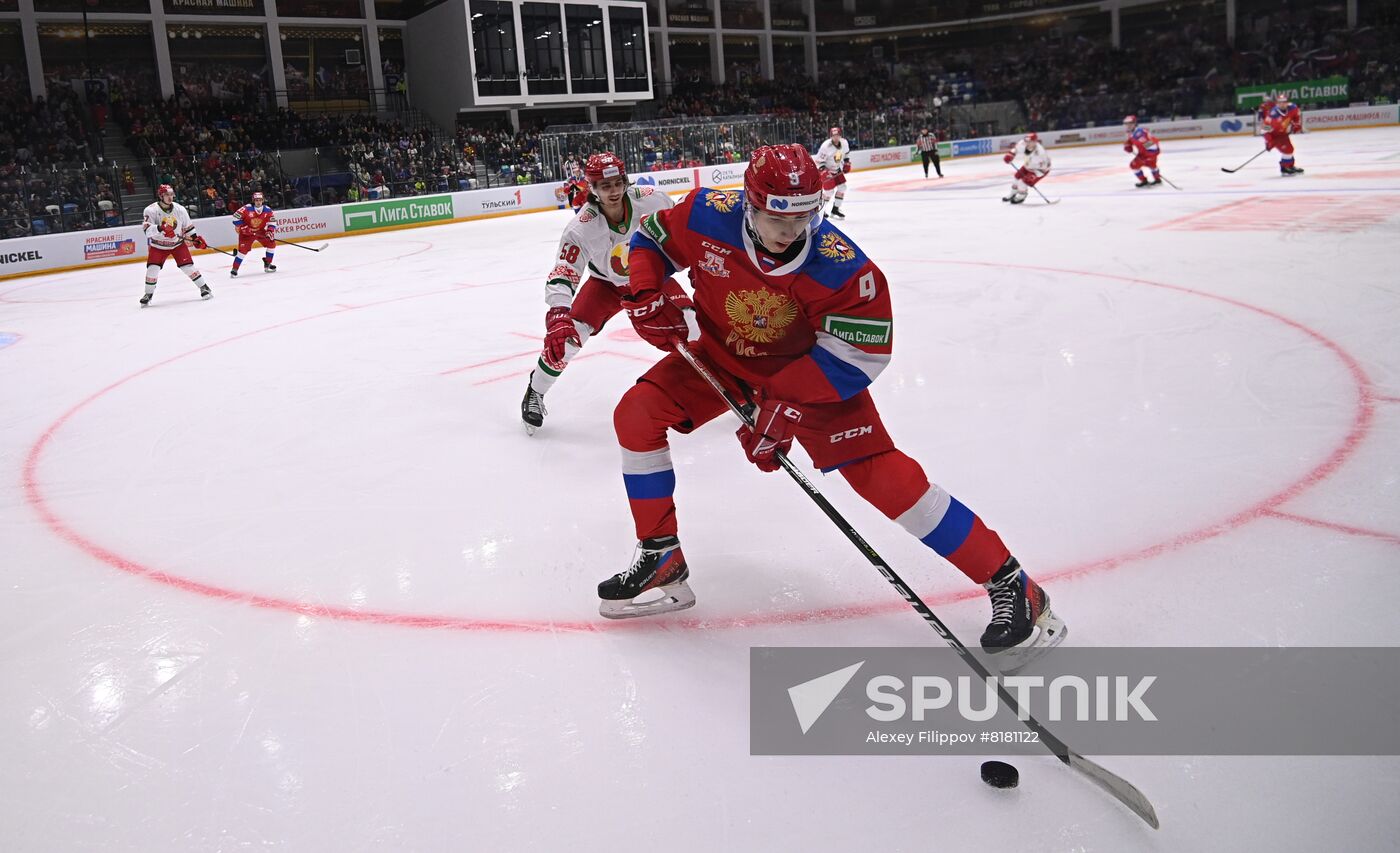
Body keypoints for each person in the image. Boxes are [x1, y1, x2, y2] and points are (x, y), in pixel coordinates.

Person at [596, 143, 1065, 670]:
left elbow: (860, 353)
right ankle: (661, 555)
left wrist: (786, 406)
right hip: (723, 357)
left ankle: (1013, 585)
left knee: (888, 483)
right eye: (778, 217)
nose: (790, 231)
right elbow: (651, 241)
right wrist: (646, 293)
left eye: (803, 217)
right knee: (636, 414)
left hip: (807, 374)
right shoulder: (708, 212)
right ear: (749, 204)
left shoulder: (843, 268)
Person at [519, 152, 675, 434]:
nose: (613, 191)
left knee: (692, 325)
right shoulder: (582, 227)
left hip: (649, 277)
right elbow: (564, 271)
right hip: (605, 285)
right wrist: (558, 311)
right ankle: (536, 390)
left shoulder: (652, 199)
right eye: (605, 186)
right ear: (591, 188)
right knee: (565, 340)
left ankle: (722, 384)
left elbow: (678, 230)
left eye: (617, 183)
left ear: (625, 180)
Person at [139, 184, 211, 306]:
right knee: (152, 269)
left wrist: (195, 239)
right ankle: (148, 294)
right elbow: (147, 231)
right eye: (167, 195)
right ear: (161, 195)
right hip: (158, 246)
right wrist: (160, 227)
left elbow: (188, 227)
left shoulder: (180, 209)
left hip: (177, 244)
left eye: (171, 194)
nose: (170, 197)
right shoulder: (150, 210)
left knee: (188, 266)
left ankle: (204, 288)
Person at [230, 191, 277, 277]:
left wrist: (270, 231)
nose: (258, 202)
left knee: (272, 244)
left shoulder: (267, 210)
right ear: (253, 200)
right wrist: (243, 228)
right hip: (246, 233)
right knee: (242, 252)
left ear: (263, 200)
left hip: (260, 231)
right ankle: (235, 269)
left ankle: (268, 263)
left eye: (260, 200)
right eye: (256, 200)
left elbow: (272, 222)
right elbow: (235, 217)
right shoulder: (246, 208)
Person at [1260, 92, 1304, 175]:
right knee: (1287, 150)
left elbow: (1296, 117)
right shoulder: (1273, 114)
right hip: (1274, 136)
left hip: (1283, 134)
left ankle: (1290, 166)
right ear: (1277, 103)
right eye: (1280, 102)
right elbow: (1264, 129)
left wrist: (1296, 125)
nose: (1282, 104)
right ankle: (1284, 168)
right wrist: (1269, 141)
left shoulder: (1293, 108)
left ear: (1287, 102)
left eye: (1284, 102)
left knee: (1290, 149)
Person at [1002, 132, 1051, 204]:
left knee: (1023, 183)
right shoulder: (1023, 143)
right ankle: (1013, 193)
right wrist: (1010, 155)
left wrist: (1033, 178)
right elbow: (1016, 149)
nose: (1027, 143)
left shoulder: (1040, 153)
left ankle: (1022, 195)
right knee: (1016, 178)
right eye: (1026, 141)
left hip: (1039, 170)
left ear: (1035, 142)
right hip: (1027, 165)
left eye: (1029, 141)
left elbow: (1044, 168)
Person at [815, 126, 851, 219]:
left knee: (842, 188)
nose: (836, 137)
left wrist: (847, 162)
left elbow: (846, 153)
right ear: (831, 136)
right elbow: (818, 160)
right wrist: (824, 171)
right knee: (829, 192)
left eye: (837, 135)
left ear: (840, 135)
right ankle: (820, 210)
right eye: (834, 135)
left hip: (837, 169)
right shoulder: (825, 146)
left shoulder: (844, 142)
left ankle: (835, 210)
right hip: (827, 170)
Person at [1122, 115, 1163, 188]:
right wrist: (1128, 145)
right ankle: (1151, 180)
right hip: (1143, 153)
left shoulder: (1140, 133)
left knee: (1150, 165)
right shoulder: (1130, 132)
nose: (1128, 126)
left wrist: (1149, 157)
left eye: (1130, 123)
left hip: (1150, 153)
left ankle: (1156, 180)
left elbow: (1152, 146)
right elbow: (1130, 140)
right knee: (1135, 165)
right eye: (1126, 124)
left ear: (1134, 123)